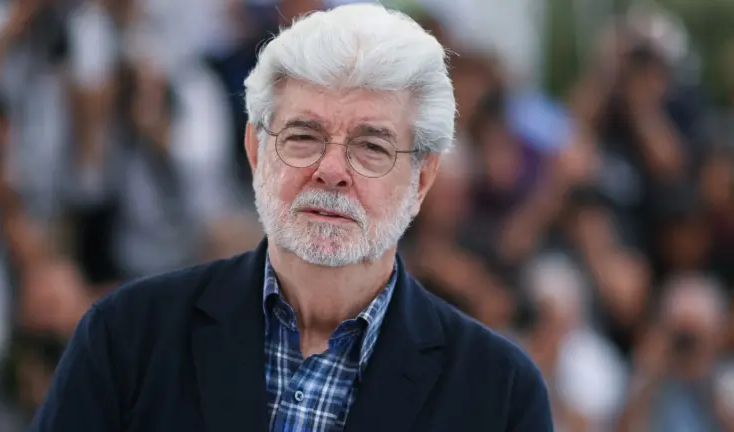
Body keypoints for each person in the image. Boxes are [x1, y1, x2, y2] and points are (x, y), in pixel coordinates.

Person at [29, 4, 552, 431]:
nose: (331, 171)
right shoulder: (127, 337)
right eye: (303, 136)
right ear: (256, 150)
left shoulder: (500, 393)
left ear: (422, 178)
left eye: (371, 146)